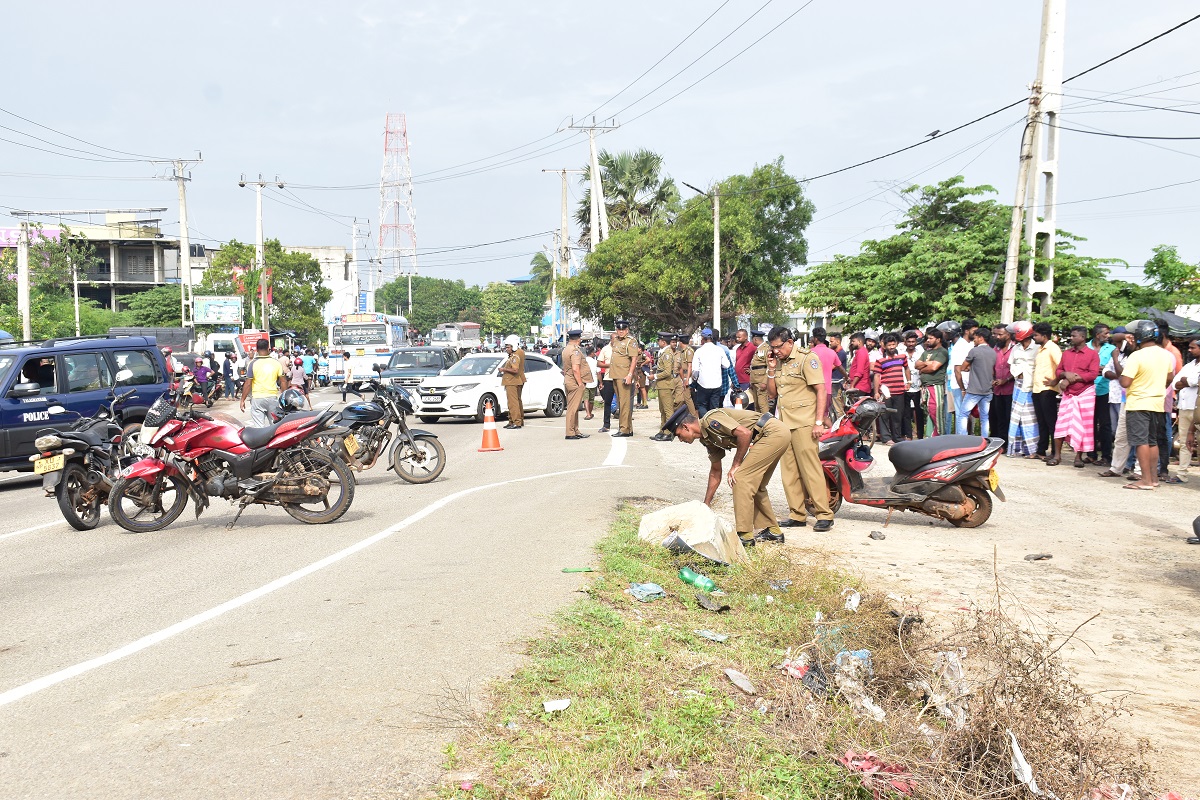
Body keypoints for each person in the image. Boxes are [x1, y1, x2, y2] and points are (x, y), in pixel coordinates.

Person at [664, 403, 792, 548]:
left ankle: (745, 537)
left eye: (679, 435)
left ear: (686, 427)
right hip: (771, 435)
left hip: (773, 433)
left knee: (740, 479)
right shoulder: (707, 439)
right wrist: (706, 504)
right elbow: (715, 472)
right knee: (756, 485)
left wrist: (736, 464)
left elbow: (745, 434)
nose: (680, 440)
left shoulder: (710, 420)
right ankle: (773, 531)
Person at [766, 325, 834, 532]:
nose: (776, 351)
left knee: (810, 470)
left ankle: (824, 514)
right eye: (772, 347)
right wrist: (771, 369)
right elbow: (772, 394)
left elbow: (821, 390)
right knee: (789, 472)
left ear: (789, 342)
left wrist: (819, 422)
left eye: (778, 347)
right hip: (785, 423)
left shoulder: (807, 358)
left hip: (805, 422)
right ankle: (797, 514)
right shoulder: (778, 362)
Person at [1119, 320, 1176, 490]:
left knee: (1140, 441)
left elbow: (1125, 382)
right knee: (1152, 441)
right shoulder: (1165, 354)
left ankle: (1145, 480)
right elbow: (1170, 378)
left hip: (1138, 403)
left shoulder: (1137, 356)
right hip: (1157, 403)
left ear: (1140, 336)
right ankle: (1153, 478)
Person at [1044, 326, 1101, 467]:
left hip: (1085, 393)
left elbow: (1093, 374)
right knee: (1061, 424)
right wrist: (1065, 375)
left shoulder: (1092, 354)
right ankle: (1057, 456)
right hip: (1068, 394)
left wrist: (1070, 380)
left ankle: (1078, 457)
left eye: (1074, 336)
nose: (1071, 338)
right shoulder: (1067, 353)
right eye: (1071, 335)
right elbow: (1059, 370)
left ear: (1082, 337)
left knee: (1083, 425)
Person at [954, 327, 996, 436]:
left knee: (963, 414)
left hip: (974, 390)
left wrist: (970, 367)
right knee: (984, 417)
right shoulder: (993, 352)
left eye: (976, 338)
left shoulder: (974, 351)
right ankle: (985, 438)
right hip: (988, 390)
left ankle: (962, 437)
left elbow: (963, 367)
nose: (974, 340)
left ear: (981, 338)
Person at [1007, 321, 1040, 457]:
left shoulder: (1037, 348)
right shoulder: (1016, 348)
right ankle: (1016, 448)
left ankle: (1032, 449)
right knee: (1017, 418)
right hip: (1018, 386)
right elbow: (1011, 364)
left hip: (1031, 386)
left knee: (1030, 419)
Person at [1030, 322, 1062, 460]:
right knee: (1041, 422)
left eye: (1036, 335)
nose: (1034, 337)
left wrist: (1055, 381)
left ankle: (1055, 452)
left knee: (1051, 422)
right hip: (1037, 388)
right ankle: (1041, 450)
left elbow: (1061, 366)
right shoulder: (1040, 349)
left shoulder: (1053, 348)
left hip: (1048, 389)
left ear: (1044, 336)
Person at [240, 338, 287, 427]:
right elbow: (283, 381)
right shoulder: (276, 363)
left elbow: (248, 383)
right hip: (272, 398)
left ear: (257, 349)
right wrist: (284, 397)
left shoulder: (252, 364)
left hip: (257, 399)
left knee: (259, 428)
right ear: (268, 348)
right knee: (275, 426)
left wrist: (242, 399)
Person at [872, 333, 908, 443]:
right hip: (886, 392)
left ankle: (897, 437)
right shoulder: (880, 360)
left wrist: (909, 382)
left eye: (893, 344)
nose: (891, 347)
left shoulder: (902, 357)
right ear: (885, 346)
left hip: (899, 391)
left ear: (896, 344)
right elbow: (876, 376)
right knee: (884, 415)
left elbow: (907, 369)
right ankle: (886, 438)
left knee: (897, 415)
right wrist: (876, 392)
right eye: (889, 345)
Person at [1087, 324, 1115, 465]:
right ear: (1098, 335)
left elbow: (1113, 368)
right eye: (1105, 333)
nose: (1108, 336)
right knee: (1089, 423)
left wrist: (1101, 369)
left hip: (1105, 390)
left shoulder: (1112, 349)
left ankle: (1106, 455)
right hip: (1087, 390)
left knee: (1105, 424)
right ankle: (1091, 454)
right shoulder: (1086, 347)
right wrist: (1096, 370)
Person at [1172, 338, 1200, 481]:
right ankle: (1181, 474)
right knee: (1184, 441)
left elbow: (1195, 381)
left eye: (1193, 347)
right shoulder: (1189, 365)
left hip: (1198, 410)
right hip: (1184, 407)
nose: (1189, 350)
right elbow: (1174, 384)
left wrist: (1186, 381)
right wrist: (1187, 382)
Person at [607, 320, 640, 437]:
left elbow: (634, 359)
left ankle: (624, 429)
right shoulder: (616, 340)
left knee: (625, 403)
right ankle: (628, 428)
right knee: (621, 402)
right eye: (619, 329)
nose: (621, 332)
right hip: (615, 375)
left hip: (624, 375)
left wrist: (630, 375)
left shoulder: (631, 341)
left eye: (623, 330)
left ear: (627, 330)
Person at [915, 327, 949, 436]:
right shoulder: (927, 352)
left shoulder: (942, 352)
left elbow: (934, 367)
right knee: (929, 412)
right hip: (925, 386)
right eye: (927, 338)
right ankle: (930, 436)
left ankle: (940, 437)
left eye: (931, 338)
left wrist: (922, 369)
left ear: (938, 339)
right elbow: (916, 365)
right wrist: (926, 363)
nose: (928, 340)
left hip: (935, 385)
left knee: (937, 412)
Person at [561, 329, 591, 440]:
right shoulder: (575, 351)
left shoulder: (566, 349)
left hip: (568, 380)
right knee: (572, 408)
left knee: (574, 407)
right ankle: (570, 432)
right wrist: (580, 383)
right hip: (574, 382)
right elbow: (575, 368)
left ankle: (575, 430)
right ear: (579, 339)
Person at [810, 327, 845, 424]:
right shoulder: (832, 352)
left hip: (813, 390)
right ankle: (832, 431)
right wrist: (847, 377)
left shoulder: (811, 353)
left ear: (815, 338)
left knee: (816, 417)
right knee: (824, 415)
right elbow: (840, 368)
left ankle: (833, 431)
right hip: (827, 390)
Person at [691, 328, 727, 416]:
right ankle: (713, 423)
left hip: (703, 384)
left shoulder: (699, 351)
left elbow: (695, 371)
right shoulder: (719, 350)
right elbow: (726, 365)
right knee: (714, 408)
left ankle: (705, 422)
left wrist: (694, 380)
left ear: (703, 338)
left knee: (702, 406)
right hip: (717, 384)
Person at [990, 324, 1014, 444]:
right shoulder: (995, 349)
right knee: (997, 417)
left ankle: (1009, 443)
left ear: (1008, 335)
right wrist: (993, 378)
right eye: (994, 334)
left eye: (1000, 334)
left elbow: (1020, 369)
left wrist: (1007, 380)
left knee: (1009, 417)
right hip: (997, 389)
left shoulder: (1015, 348)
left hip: (1011, 389)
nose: (996, 337)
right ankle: (999, 443)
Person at [651, 333, 677, 440]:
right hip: (662, 385)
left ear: (663, 342)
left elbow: (667, 372)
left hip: (666, 384)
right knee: (662, 410)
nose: (658, 342)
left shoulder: (667, 354)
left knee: (668, 410)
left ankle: (668, 432)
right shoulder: (663, 352)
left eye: (659, 340)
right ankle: (662, 430)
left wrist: (655, 376)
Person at [499, 334, 527, 429]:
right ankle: (516, 420)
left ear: (513, 346)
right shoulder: (520, 352)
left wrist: (503, 369)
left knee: (512, 403)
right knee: (517, 401)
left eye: (508, 347)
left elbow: (515, 369)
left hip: (512, 381)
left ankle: (516, 421)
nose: (506, 349)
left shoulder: (515, 356)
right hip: (519, 379)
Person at [901, 330, 924, 439]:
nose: (911, 344)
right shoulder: (901, 353)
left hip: (918, 386)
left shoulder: (921, 352)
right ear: (905, 342)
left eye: (913, 342)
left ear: (916, 342)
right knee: (906, 413)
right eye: (909, 342)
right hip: (905, 386)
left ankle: (920, 436)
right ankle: (908, 436)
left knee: (919, 412)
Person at [748, 333, 771, 413]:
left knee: (762, 404)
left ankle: (767, 420)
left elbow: (769, 367)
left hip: (761, 381)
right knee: (756, 405)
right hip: (755, 380)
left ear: (755, 339)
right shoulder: (758, 349)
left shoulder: (766, 348)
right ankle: (758, 420)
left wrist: (765, 382)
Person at [845, 332, 871, 402]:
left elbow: (859, 372)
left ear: (859, 342)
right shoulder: (859, 351)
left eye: (853, 341)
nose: (852, 343)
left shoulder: (861, 352)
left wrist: (852, 386)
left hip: (860, 386)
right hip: (858, 385)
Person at [733, 328, 754, 394]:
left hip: (746, 380)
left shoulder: (752, 347)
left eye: (739, 337)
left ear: (746, 337)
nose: (737, 339)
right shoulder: (738, 349)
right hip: (737, 380)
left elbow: (758, 361)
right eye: (736, 337)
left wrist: (752, 370)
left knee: (746, 398)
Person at [583, 346, 599, 420]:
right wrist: (601, 383)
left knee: (585, 399)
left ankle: (588, 414)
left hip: (585, 382)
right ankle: (590, 413)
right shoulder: (595, 362)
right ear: (592, 353)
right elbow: (598, 373)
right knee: (591, 400)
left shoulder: (583, 361)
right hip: (593, 382)